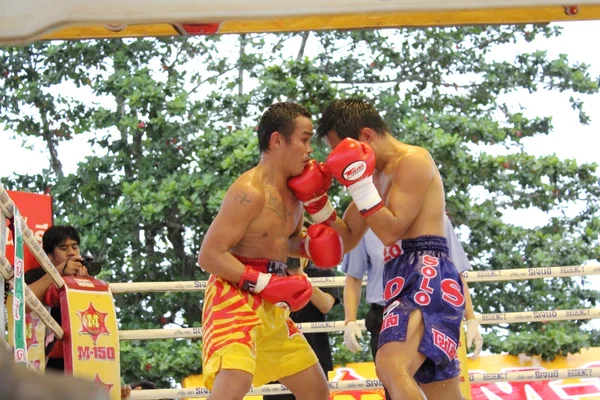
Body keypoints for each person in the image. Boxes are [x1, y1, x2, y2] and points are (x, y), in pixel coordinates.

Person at [288, 98, 465, 399]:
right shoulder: (372, 178)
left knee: (390, 365)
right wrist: (318, 203)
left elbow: (390, 230)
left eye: (339, 150)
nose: (337, 161)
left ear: (365, 137)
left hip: (427, 273)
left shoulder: (413, 161)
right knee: (440, 391)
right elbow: (348, 240)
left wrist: (358, 183)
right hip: (399, 278)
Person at [197, 102, 343, 400]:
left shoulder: (295, 195)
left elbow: (284, 240)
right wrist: (267, 283)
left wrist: (308, 246)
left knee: (317, 391)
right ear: (277, 140)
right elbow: (209, 255)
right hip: (234, 296)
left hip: (271, 302)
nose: (309, 150)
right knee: (234, 383)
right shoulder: (248, 192)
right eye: (304, 139)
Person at [342, 218, 484, 400]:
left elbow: (455, 271)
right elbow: (353, 277)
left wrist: (471, 318)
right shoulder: (367, 220)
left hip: (433, 307)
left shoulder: (438, 218)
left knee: (441, 388)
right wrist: (350, 322)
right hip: (387, 312)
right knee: (394, 377)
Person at [266, 256, 341, 400]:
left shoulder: (323, 271)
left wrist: (301, 278)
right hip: (277, 353)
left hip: (314, 353)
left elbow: (325, 305)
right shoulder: (270, 273)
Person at [24, 225, 90, 372]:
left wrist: (83, 284)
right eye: (64, 248)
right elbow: (23, 305)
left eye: (75, 247)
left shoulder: (84, 278)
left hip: (79, 358)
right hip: (42, 363)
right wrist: (59, 272)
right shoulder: (35, 276)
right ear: (49, 255)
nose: (72, 253)